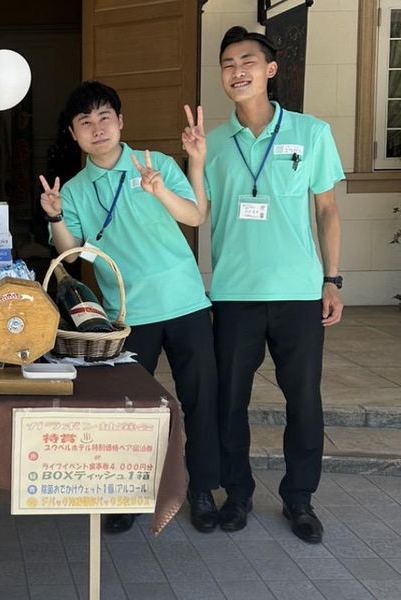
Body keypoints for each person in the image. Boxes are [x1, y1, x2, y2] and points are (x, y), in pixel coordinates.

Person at [187, 27, 344, 544]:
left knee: (304, 400)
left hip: (299, 293)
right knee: (229, 399)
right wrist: (193, 161)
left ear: (270, 70)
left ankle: (300, 498)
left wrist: (332, 279)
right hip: (234, 294)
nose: (237, 71)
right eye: (227, 63)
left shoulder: (311, 132)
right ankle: (238, 492)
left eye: (247, 61)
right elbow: (198, 212)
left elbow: (327, 209)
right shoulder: (211, 145)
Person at [40, 81, 220, 534]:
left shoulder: (154, 164)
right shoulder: (77, 188)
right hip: (127, 315)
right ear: (74, 133)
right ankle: (128, 493)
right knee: (130, 408)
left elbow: (195, 216)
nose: (96, 128)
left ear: (120, 122)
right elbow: (73, 254)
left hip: (185, 304)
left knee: (199, 401)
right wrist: (57, 215)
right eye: (86, 122)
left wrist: (158, 189)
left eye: (104, 118)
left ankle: (200, 488)